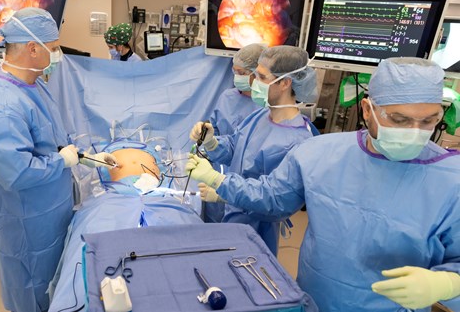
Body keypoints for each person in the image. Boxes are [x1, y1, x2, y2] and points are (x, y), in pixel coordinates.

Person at [186, 57, 460, 312]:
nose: (414, 131)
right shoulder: (318, 153)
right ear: (367, 109)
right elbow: (272, 198)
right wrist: (219, 181)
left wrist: (447, 284)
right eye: (399, 119)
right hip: (316, 300)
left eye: (428, 120)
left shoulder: (451, 179)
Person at [0, 8, 117, 312]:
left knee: (54, 282)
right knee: (32, 290)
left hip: (47, 208)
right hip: (24, 219)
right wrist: (62, 163)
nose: (58, 53)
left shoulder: (33, 83)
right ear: (32, 48)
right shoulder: (3, 106)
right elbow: (16, 173)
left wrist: (83, 156)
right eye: (53, 48)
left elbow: (50, 139)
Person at [191, 45, 318, 254]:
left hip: (255, 233)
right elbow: (235, 145)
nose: (253, 82)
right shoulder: (261, 116)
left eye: (261, 77)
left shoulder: (298, 140)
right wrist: (212, 142)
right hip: (233, 217)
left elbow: (273, 199)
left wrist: (219, 183)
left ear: (285, 83)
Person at [204, 43, 266, 223]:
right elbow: (215, 128)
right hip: (219, 172)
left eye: (242, 73)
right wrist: (206, 141)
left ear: (258, 73)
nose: (237, 77)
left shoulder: (266, 107)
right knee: (214, 226)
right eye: (235, 71)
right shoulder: (227, 97)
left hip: (249, 182)